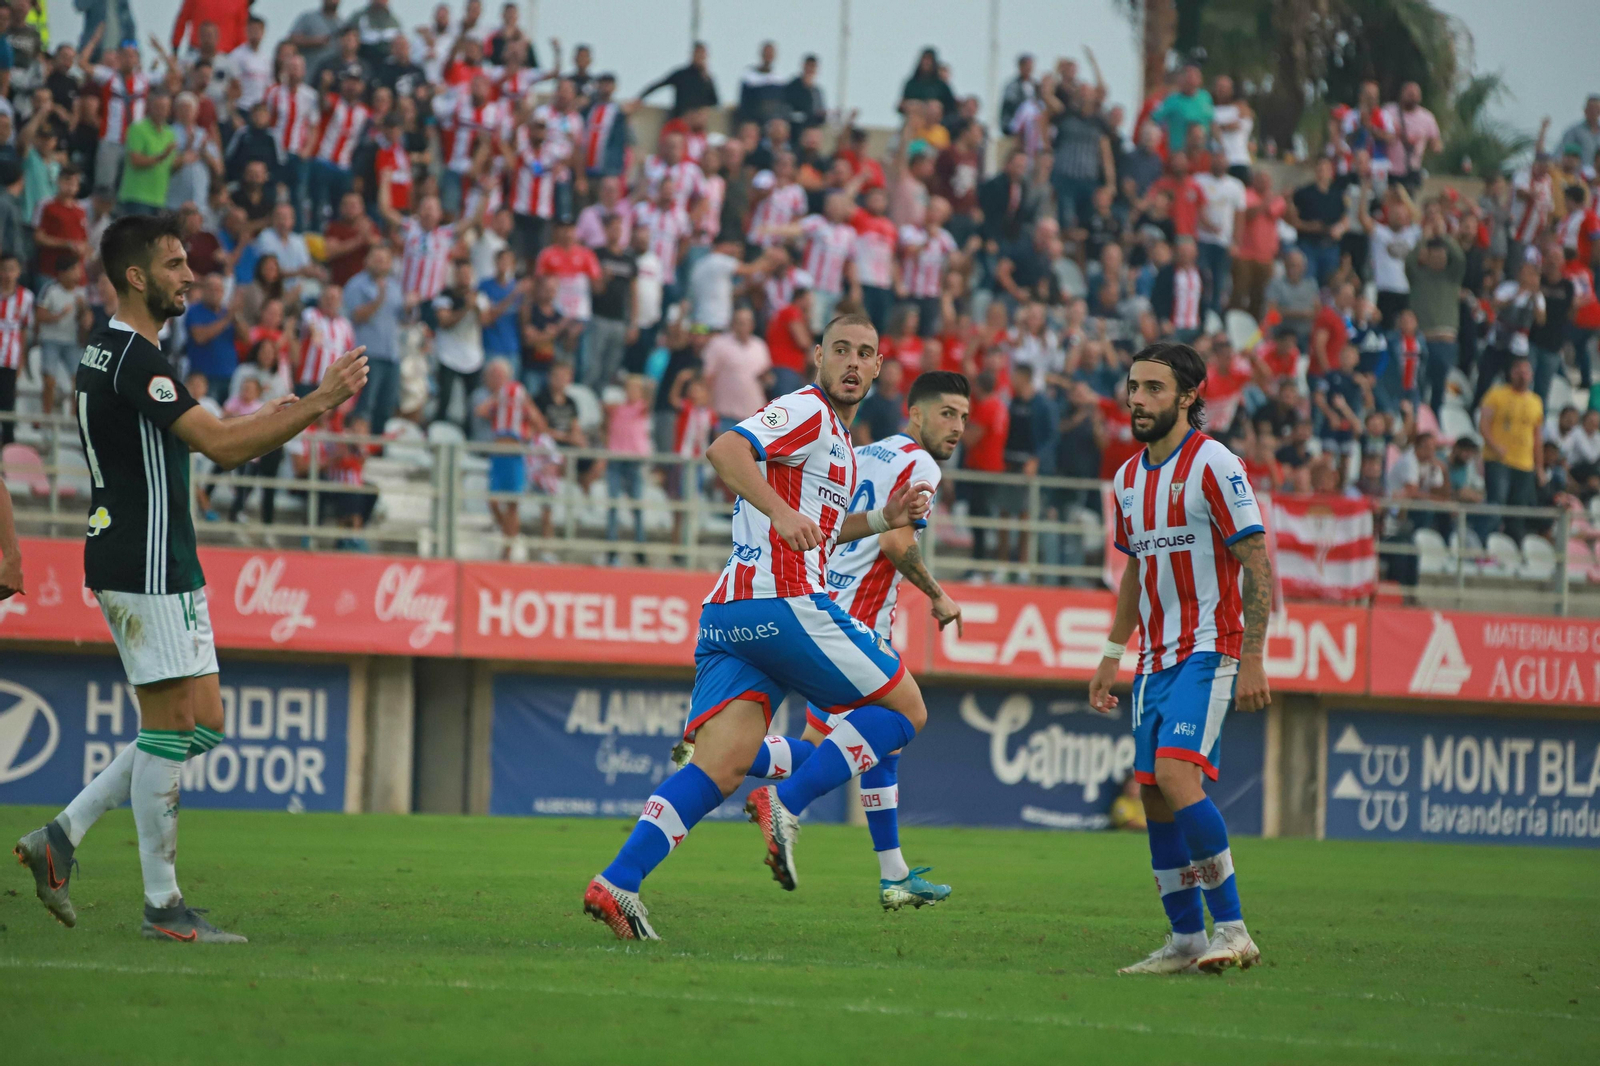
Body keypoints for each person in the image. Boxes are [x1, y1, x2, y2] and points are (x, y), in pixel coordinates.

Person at [14, 212, 366, 941]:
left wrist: (281, 412)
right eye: (175, 264)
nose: (190, 276)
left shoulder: (116, 353)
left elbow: (198, 433)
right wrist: (322, 401)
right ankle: (163, 907)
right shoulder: (134, 359)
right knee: (172, 727)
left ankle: (64, 835)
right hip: (143, 561)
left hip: (160, 555)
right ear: (137, 276)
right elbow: (223, 448)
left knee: (203, 724)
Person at [582, 312, 934, 941]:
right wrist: (778, 511)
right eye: (842, 350)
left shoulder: (842, 448)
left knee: (721, 767)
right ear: (817, 357)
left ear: (880, 368)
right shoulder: (807, 410)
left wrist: (882, 517)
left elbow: (820, 530)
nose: (853, 363)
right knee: (907, 711)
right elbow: (724, 449)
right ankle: (787, 800)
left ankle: (617, 882)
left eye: (866, 354)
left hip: (730, 615)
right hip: (783, 601)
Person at [738, 371, 968, 906]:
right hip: (856, 618)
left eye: (963, 417)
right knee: (897, 721)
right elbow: (894, 541)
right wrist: (937, 594)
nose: (957, 427)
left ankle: (894, 876)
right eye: (947, 413)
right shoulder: (922, 465)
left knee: (856, 749)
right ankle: (782, 801)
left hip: (821, 601)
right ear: (915, 414)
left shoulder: (861, 453)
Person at [1088, 340, 1270, 976]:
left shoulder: (1215, 464)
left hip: (1210, 650)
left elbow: (1257, 562)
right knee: (1153, 794)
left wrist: (1252, 656)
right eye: (1133, 386)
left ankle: (1234, 929)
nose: (1137, 399)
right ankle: (1187, 939)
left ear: (1189, 397)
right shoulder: (1128, 479)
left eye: (1153, 389)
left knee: (1174, 776)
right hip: (1154, 660)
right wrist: (1112, 655)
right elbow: (1136, 573)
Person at [475, 356, 542, 558]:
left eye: (498, 376)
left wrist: (527, 425)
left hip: (514, 452)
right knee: (493, 500)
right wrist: (498, 398)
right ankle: (508, 534)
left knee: (512, 503)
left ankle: (508, 548)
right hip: (498, 452)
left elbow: (538, 422)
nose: (495, 379)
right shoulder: (496, 399)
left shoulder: (519, 395)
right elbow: (481, 412)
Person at [1479, 356, 1544, 540]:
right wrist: (1494, 446)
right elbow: (1484, 424)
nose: (1522, 375)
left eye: (1526, 371)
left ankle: (1511, 549)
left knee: (1517, 511)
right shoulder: (1496, 394)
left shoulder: (1536, 401)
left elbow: (1537, 437)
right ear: (1511, 373)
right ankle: (1484, 544)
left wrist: (1539, 467)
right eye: (1518, 371)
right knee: (1496, 506)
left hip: (1524, 463)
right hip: (1499, 459)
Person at [345, 244, 405, 431]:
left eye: (385, 260)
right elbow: (357, 316)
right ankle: (357, 450)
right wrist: (379, 299)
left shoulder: (394, 286)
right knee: (365, 406)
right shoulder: (356, 284)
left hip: (392, 355)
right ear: (367, 261)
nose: (381, 264)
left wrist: (410, 307)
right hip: (368, 354)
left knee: (386, 406)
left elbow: (402, 317)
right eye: (377, 259)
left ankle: (378, 450)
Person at [117, 89, 176, 216]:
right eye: (158, 107)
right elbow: (136, 161)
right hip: (137, 197)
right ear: (149, 107)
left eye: (165, 107)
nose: (161, 111)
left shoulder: (170, 134)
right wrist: (162, 156)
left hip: (159, 198)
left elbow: (170, 166)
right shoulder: (137, 129)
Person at [635, 41, 718, 118]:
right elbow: (659, 84)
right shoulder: (681, 74)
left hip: (697, 125)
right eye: (698, 54)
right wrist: (639, 98)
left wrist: (706, 80)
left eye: (703, 55)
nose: (700, 57)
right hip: (680, 120)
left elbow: (715, 102)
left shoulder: (707, 79)